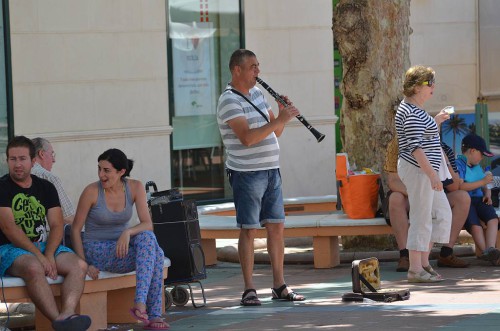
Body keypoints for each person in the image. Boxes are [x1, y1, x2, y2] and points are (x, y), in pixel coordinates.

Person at [217, 49, 305, 306]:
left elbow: (275, 133)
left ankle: (279, 285)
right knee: (249, 229)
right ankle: (249, 289)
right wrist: (279, 119)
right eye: (253, 67)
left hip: (271, 169)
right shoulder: (229, 100)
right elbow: (247, 138)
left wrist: (281, 115)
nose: (258, 71)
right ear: (237, 70)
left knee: (276, 226)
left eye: (258, 66)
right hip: (246, 173)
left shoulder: (257, 93)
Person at [70, 148, 169, 330]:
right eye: (99, 169)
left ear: (121, 171)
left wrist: (127, 232)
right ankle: (153, 314)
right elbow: (75, 230)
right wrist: (83, 263)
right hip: (98, 249)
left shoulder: (135, 187)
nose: (101, 175)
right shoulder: (91, 192)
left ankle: (140, 303)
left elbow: (148, 224)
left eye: (106, 170)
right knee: (156, 254)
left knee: (148, 238)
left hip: (123, 244)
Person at [0, 136, 91, 331]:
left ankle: (67, 313)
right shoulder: (2, 187)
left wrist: (48, 254)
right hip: (10, 248)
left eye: (22, 158)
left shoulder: (46, 187)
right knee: (34, 268)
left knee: (79, 266)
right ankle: (58, 320)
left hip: (44, 246)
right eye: (13, 159)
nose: (17, 164)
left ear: (33, 161)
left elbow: (57, 224)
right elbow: (9, 228)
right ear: (7, 160)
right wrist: (40, 256)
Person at [395, 65, 452, 283]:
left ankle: (423, 263)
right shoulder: (410, 112)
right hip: (420, 171)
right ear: (417, 86)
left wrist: (435, 121)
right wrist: (432, 175)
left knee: (442, 214)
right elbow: (415, 148)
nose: (433, 87)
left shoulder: (415, 110)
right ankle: (416, 269)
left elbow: (421, 138)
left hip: (425, 171)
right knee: (421, 217)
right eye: (429, 83)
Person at [384, 135, 470, 272]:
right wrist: (418, 193)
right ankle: (405, 255)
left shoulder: (442, 147)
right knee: (395, 198)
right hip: (409, 193)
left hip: (435, 192)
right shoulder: (396, 144)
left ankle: (446, 253)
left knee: (462, 198)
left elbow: (454, 186)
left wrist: (444, 159)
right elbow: (393, 181)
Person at [455, 133, 500, 265]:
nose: (482, 159)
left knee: (492, 219)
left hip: (480, 199)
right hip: (466, 201)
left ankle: (491, 248)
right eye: (481, 155)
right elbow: (461, 186)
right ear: (472, 151)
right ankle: (486, 251)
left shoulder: (477, 166)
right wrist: (483, 182)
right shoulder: (460, 165)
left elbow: (485, 184)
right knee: (475, 225)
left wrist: (487, 193)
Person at [31, 137, 76, 224]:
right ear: (41, 154)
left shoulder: (17, 177)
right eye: (52, 154)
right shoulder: (49, 177)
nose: (54, 160)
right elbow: (68, 217)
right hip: (48, 235)